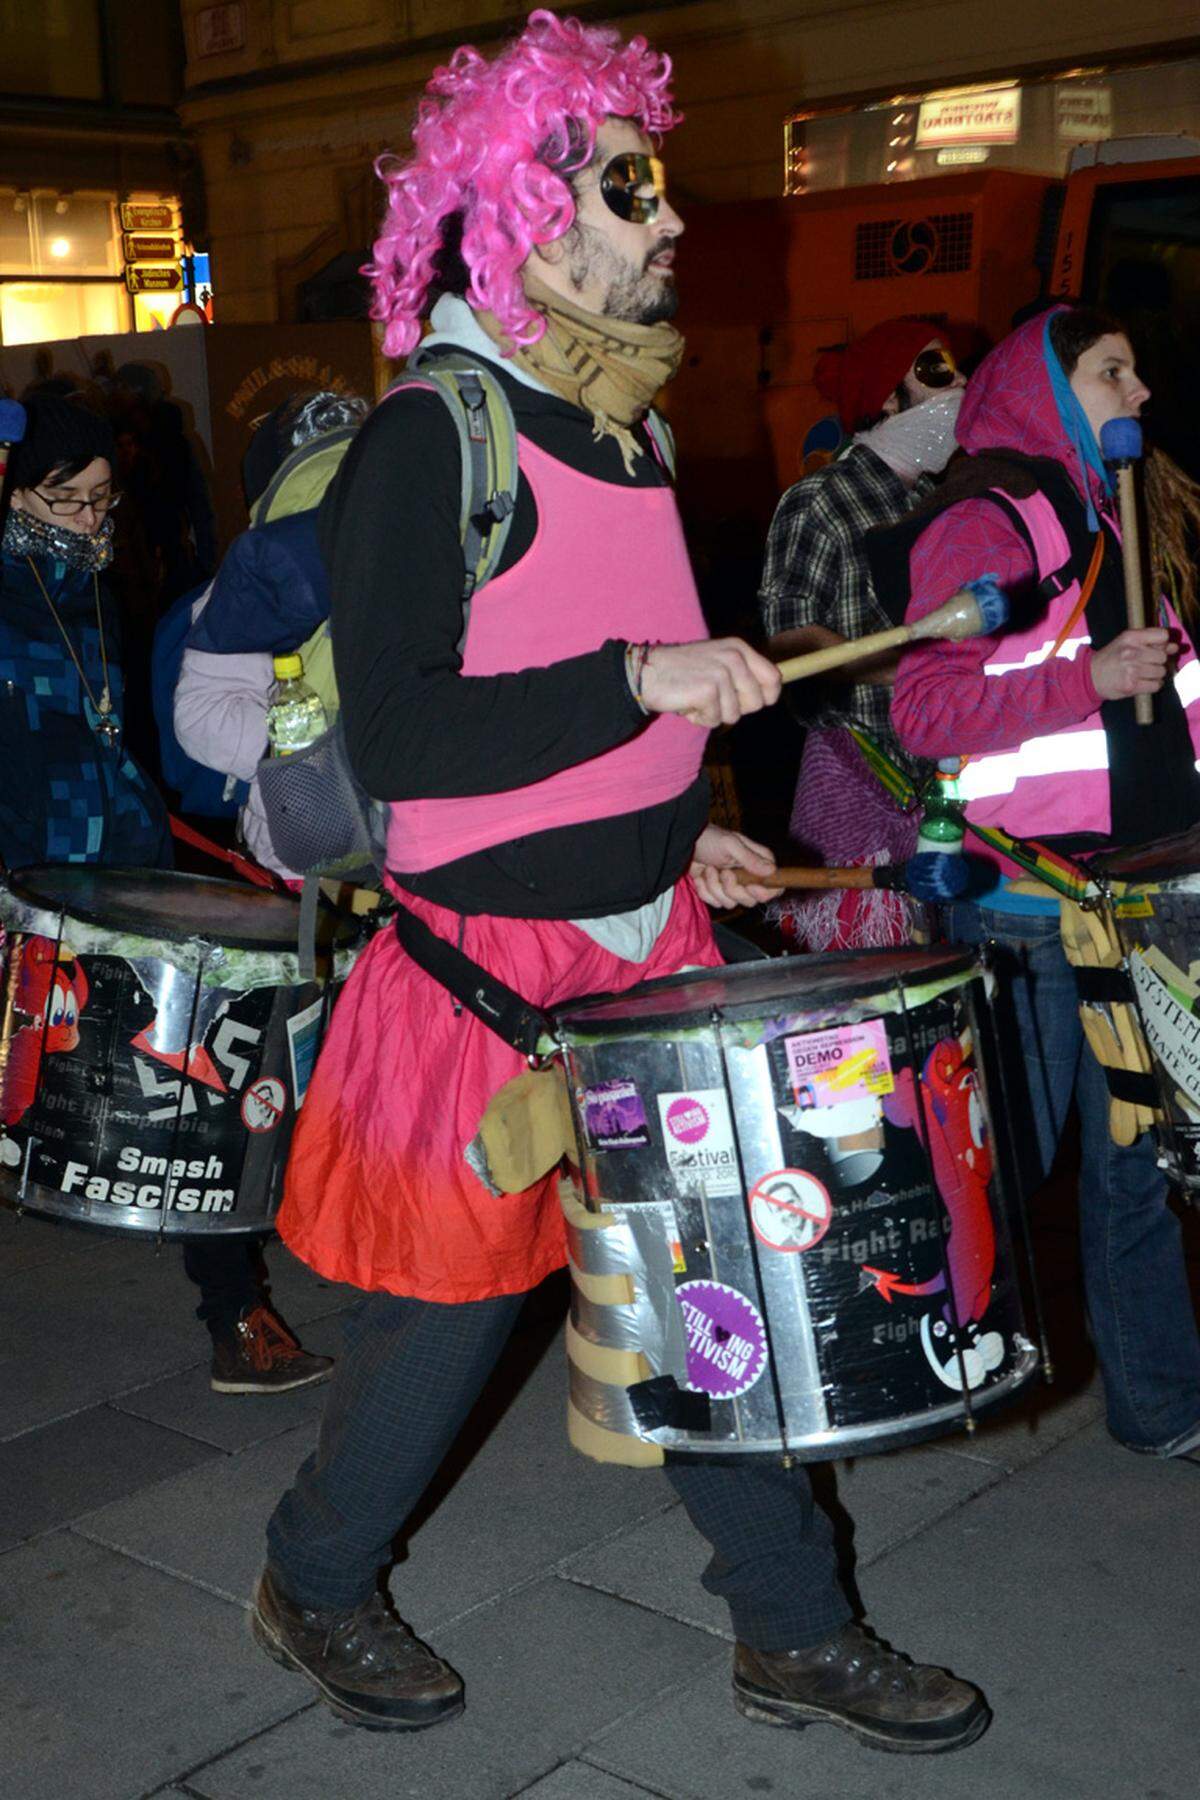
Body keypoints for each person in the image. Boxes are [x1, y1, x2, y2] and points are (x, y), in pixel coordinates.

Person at [251, 10, 989, 1756]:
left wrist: (688, 828)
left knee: (704, 1301)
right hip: (479, 978)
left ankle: (795, 1632)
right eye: (629, 191)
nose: (669, 225)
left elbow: (631, 710)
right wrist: (642, 689)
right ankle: (314, 1571)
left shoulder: (634, 439)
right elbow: (409, 736)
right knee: (445, 1328)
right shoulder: (435, 437)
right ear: (524, 213)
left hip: (644, 942)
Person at [891, 305, 1200, 1461]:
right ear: (1050, 388)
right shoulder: (986, 518)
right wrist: (1087, 677)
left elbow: (1173, 707)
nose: (1141, 391)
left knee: (1136, 1174)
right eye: (1113, 370)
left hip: (1132, 907)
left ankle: (1161, 1408)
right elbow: (923, 708)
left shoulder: (1112, 520)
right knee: (999, 1172)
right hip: (1022, 912)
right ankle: (932, 1375)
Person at [0, 395, 332, 1397]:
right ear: (18, 489)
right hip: (23, 884)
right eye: (72, 503)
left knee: (191, 1091)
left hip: (117, 871)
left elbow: (106, 731)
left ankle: (237, 1314)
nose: (93, 523)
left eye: (104, 503)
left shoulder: (97, 591)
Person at [759, 319, 965, 950]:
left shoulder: (947, 499)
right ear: (885, 397)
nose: (960, 381)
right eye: (934, 370)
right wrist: (921, 667)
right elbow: (790, 654)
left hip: (949, 786)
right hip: (862, 787)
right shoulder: (818, 501)